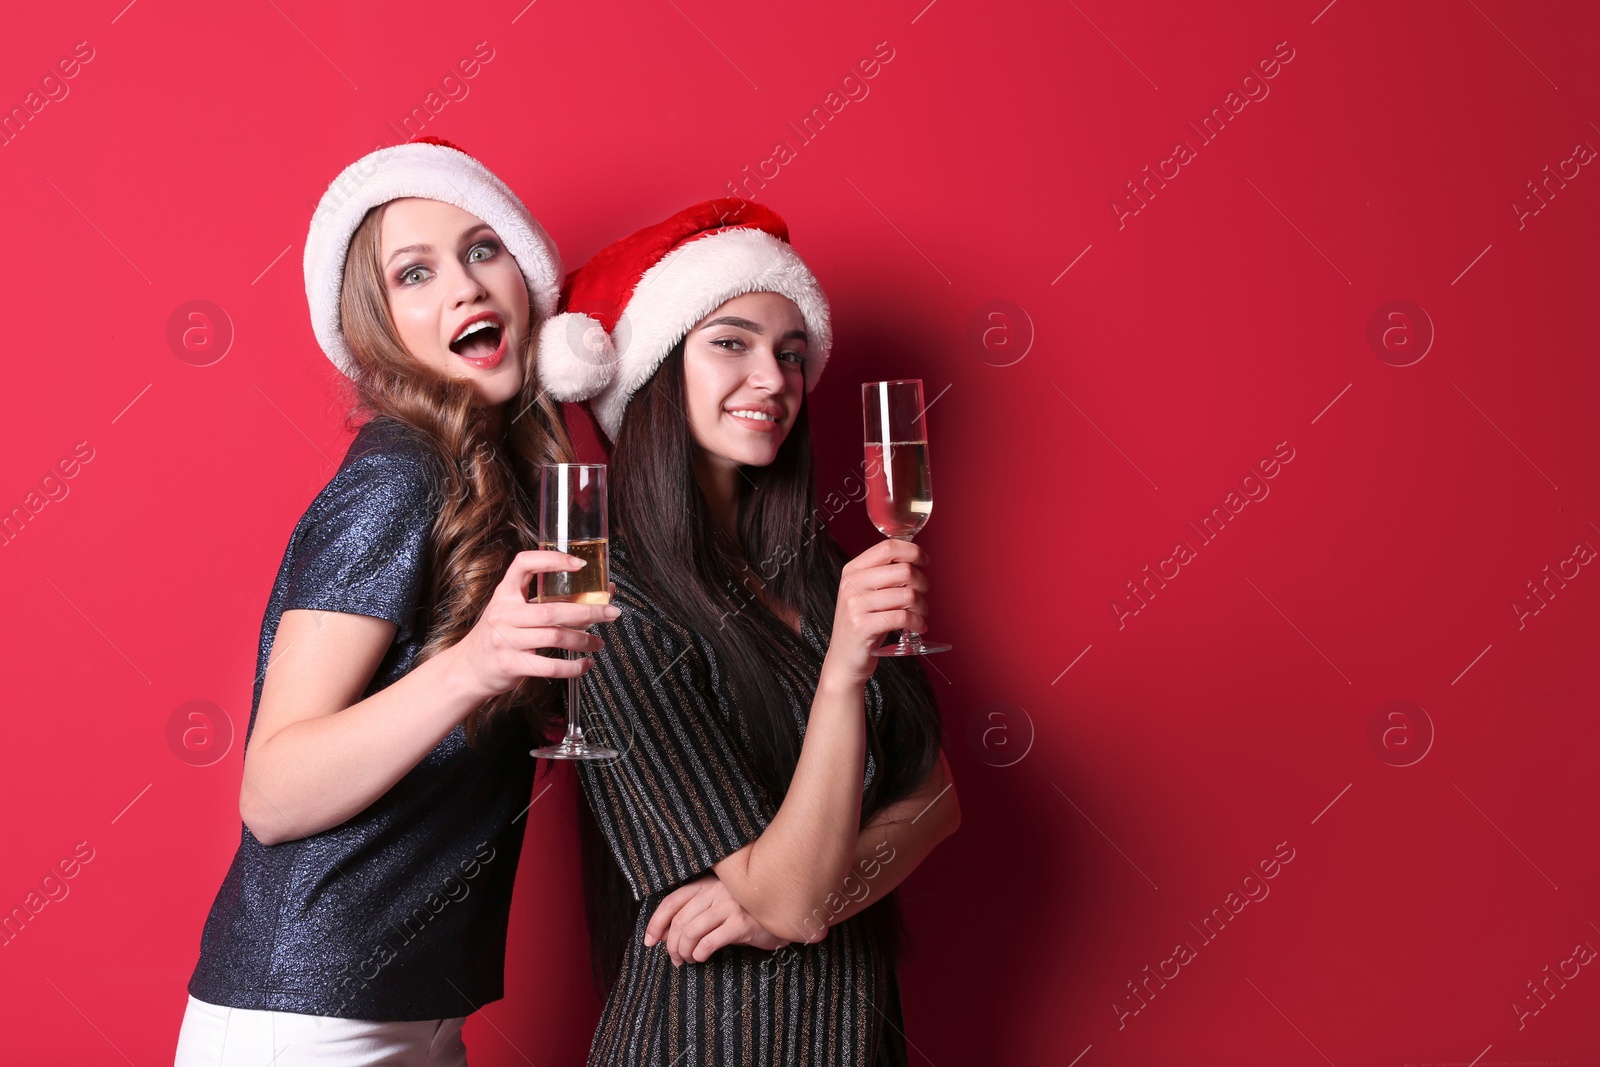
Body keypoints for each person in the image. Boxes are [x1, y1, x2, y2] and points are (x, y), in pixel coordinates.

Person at [175, 138, 614, 1066]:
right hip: (310, 1023)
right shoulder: (401, 475)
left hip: (416, 1015)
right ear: (380, 328)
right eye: (415, 273)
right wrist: (478, 664)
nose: (464, 286)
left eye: (483, 248)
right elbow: (273, 790)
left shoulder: (501, 482)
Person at [537, 198, 961, 1065]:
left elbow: (939, 801)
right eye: (731, 341)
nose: (773, 377)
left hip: (855, 1036)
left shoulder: (821, 568)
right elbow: (790, 896)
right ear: (655, 368)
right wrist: (843, 672)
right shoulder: (604, 601)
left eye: (791, 353)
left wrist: (806, 892)